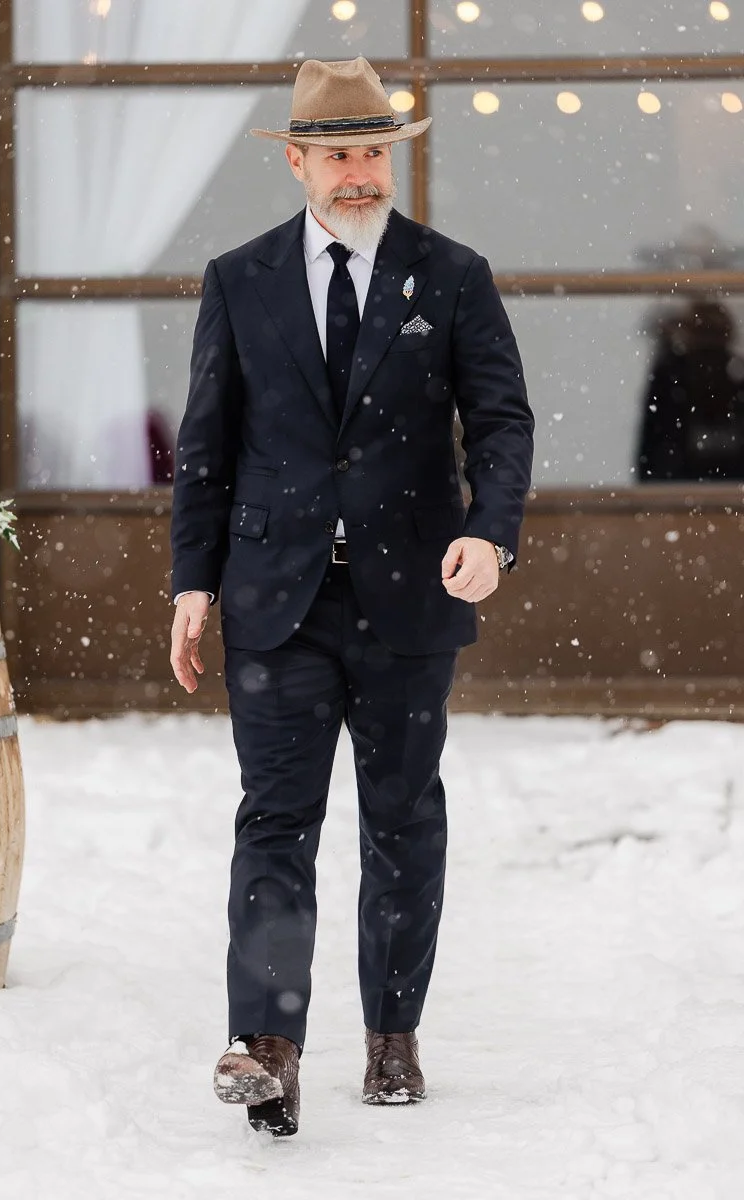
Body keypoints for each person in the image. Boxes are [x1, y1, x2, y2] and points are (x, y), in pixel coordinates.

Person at [169, 56, 534, 1137]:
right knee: (274, 821)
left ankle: (390, 1037)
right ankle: (268, 1044)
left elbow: (503, 422)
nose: (359, 173)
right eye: (338, 155)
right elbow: (206, 448)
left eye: (374, 152)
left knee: (400, 821)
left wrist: (488, 533)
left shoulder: (451, 275)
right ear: (297, 163)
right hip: (274, 599)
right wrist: (192, 584)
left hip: (407, 602)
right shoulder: (237, 279)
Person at [636, 300, 744, 481]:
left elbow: (650, 452)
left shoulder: (671, 376)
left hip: (680, 485)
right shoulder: (671, 376)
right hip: (694, 484)